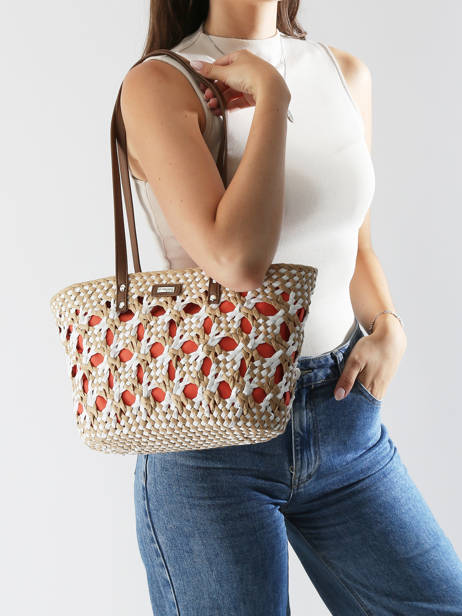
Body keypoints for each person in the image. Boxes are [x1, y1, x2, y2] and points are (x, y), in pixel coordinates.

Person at [120, 1, 462, 614]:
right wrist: (272, 101)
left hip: (343, 420)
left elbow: (355, 245)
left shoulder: (344, 73)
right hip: (212, 439)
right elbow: (236, 261)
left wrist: (389, 325)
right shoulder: (160, 83)